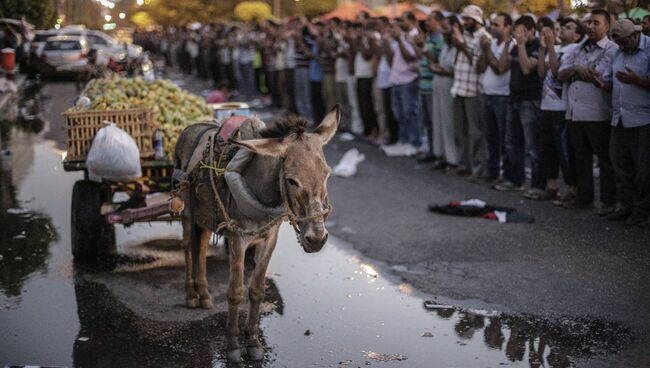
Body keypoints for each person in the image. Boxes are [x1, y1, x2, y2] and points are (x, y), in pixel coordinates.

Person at [558, 9, 618, 214]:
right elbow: (561, 73)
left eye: (596, 23)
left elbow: (598, 75)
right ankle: (585, 197)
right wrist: (576, 70)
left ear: (607, 26)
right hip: (574, 111)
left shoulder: (612, 49)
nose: (590, 26)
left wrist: (577, 71)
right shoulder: (578, 48)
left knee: (604, 159)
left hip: (597, 112)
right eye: (588, 22)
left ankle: (609, 201)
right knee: (580, 157)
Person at [600, 19, 650, 226]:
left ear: (634, 35)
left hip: (643, 119)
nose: (621, 46)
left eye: (623, 42)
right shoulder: (618, 52)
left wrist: (637, 80)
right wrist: (603, 83)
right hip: (619, 117)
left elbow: (636, 81)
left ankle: (643, 209)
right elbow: (611, 81)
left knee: (644, 169)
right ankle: (625, 205)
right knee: (620, 165)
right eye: (617, 42)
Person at [535, 18, 584, 201]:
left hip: (561, 106)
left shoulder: (574, 50)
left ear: (577, 35)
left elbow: (557, 73)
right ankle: (551, 185)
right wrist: (542, 48)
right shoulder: (554, 48)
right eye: (562, 26)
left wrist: (550, 46)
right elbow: (541, 72)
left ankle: (572, 188)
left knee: (563, 148)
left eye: (568, 27)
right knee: (547, 147)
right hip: (546, 105)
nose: (562, 29)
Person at [449, 5, 491, 179]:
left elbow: (478, 67)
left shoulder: (484, 38)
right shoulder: (464, 35)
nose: (463, 22)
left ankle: (478, 168)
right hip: (459, 87)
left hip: (474, 89)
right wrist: (459, 43)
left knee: (476, 132)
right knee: (460, 130)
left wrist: (462, 46)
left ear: (475, 20)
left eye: (467, 19)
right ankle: (463, 163)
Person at [476, 12, 514, 182]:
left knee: (505, 138)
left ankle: (506, 174)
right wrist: (485, 51)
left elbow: (500, 68)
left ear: (507, 27)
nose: (492, 28)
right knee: (490, 136)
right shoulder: (491, 44)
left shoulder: (511, 45)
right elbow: (480, 68)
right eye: (491, 24)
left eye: (496, 25)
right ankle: (492, 171)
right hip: (488, 94)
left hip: (502, 97)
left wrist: (486, 50)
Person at [431, 15, 461, 171]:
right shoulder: (445, 45)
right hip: (439, 83)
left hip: (450, 85)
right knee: (438, 120)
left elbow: (455, 70)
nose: (443, 32)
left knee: (449, 122)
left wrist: (444, 71)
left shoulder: (457, 45)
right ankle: (440, 154)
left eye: (446, 28)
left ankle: (452, 158)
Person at [388, 14, 421, 155]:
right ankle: (404, 141)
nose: (401, 23)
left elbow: (409, 57)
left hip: (408, 80)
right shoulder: (402, 36)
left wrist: (400, 39)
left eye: (404, 20)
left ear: (412, 21)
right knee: (399, 114)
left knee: (410, 113)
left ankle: (414, 143)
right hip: (397, 80)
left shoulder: (414, 35)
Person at [417, 11, 445, 162]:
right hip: (423, 84)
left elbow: (437, 60)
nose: (427, 22)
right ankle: (431, 150)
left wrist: (424, 48)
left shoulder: (440, 38)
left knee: (434, 122)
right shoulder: (429, 38)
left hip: (432, 86)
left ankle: (437, 152)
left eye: (430, 20)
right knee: (427, 122)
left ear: (438, 21)